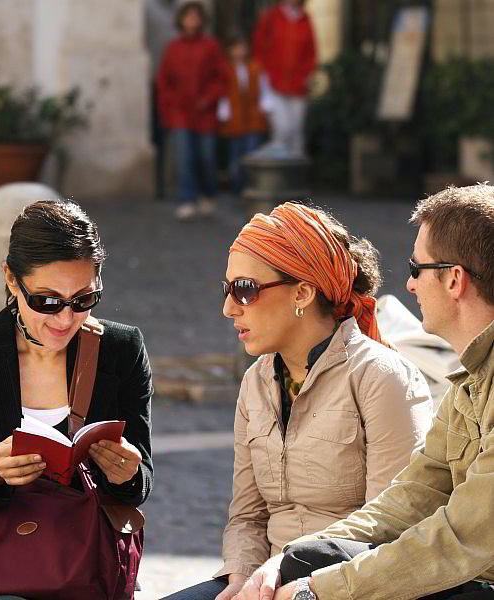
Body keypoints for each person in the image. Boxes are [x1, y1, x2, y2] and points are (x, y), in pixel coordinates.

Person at [163, 202, 433, 600]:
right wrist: (239, 575)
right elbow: (247, 516)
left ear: (303, 292)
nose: (228, 307)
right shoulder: (255, 382)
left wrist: (295, 575)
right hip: (262, 582)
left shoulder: (382, 378)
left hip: (346, 586)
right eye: (228, 289)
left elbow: (391, 525)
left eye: (245, 289)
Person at [236, 186, 494, 600]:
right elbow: (411, 496)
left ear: (454, 279)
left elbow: (459, 538)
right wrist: (283, 561)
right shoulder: (471, 380)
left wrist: (316, 590)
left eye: (416, 268)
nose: (408, 285)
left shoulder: (382, 375)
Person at [0, 200, 153, 597]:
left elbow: (141, 479)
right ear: (12, 280)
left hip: (86, 567)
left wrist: (128, 473)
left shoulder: (120, 348)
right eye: (46, 301)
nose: (65, 319)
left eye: (83, 300)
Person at [156, 2, 226, 220]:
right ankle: (186, 199)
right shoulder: (173, 48)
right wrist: (168, 107)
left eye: (196, 16)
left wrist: (209, 98)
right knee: (184, 157)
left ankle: (207, 193)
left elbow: (221, 77)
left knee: (206, 157)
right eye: (188, 16)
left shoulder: (210, 46)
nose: (192, 21)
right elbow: (163, 81)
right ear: (182, 20)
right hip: (180, 113)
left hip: (204, 113)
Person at [252, 0, 316, 158]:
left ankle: (296, 175)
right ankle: (278, 173)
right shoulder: (271, 17)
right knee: (283, 129)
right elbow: (259, 47)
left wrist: (305, 75)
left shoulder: (305, 19)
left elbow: (311, 52)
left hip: (298, 86)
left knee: (297, 132)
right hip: (274, 83)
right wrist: (265, 73)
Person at [217, 34, 268, 196]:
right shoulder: (225, 69)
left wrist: (264, 109)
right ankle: (238, 187)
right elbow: (223, 94)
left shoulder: (255, 67)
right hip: (235, 119)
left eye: (242, 47)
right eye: (236, 47)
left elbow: (263, 90)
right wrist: (223, 114)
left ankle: (251, 187)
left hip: (253, 118)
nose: (240, 51)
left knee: (252, 154)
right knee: (236, 157)